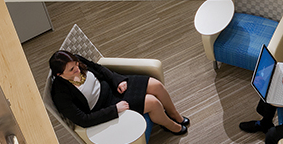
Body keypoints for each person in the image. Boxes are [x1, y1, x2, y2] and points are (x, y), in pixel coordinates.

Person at [48, 51, 190, 135]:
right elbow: (83, 120)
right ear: (60, 74)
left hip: (112, 87)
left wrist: (116, 80)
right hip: (105, 106)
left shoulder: (76, 61)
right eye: (71, 70)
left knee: (156, 85)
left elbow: (99, 68)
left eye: (76, 64)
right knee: (152, 102)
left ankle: (173, 114)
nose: (77, 69)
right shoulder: (60, 93)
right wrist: (114, 109)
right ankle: (170, 126)